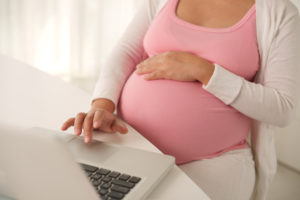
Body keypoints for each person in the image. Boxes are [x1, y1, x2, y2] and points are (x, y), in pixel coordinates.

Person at [61, 0, 300, 199]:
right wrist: (102, 105)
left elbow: (282, 108)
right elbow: (126, 51)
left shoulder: (279, 13)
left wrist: (204, 71)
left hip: (212, 161)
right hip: (130, 143)